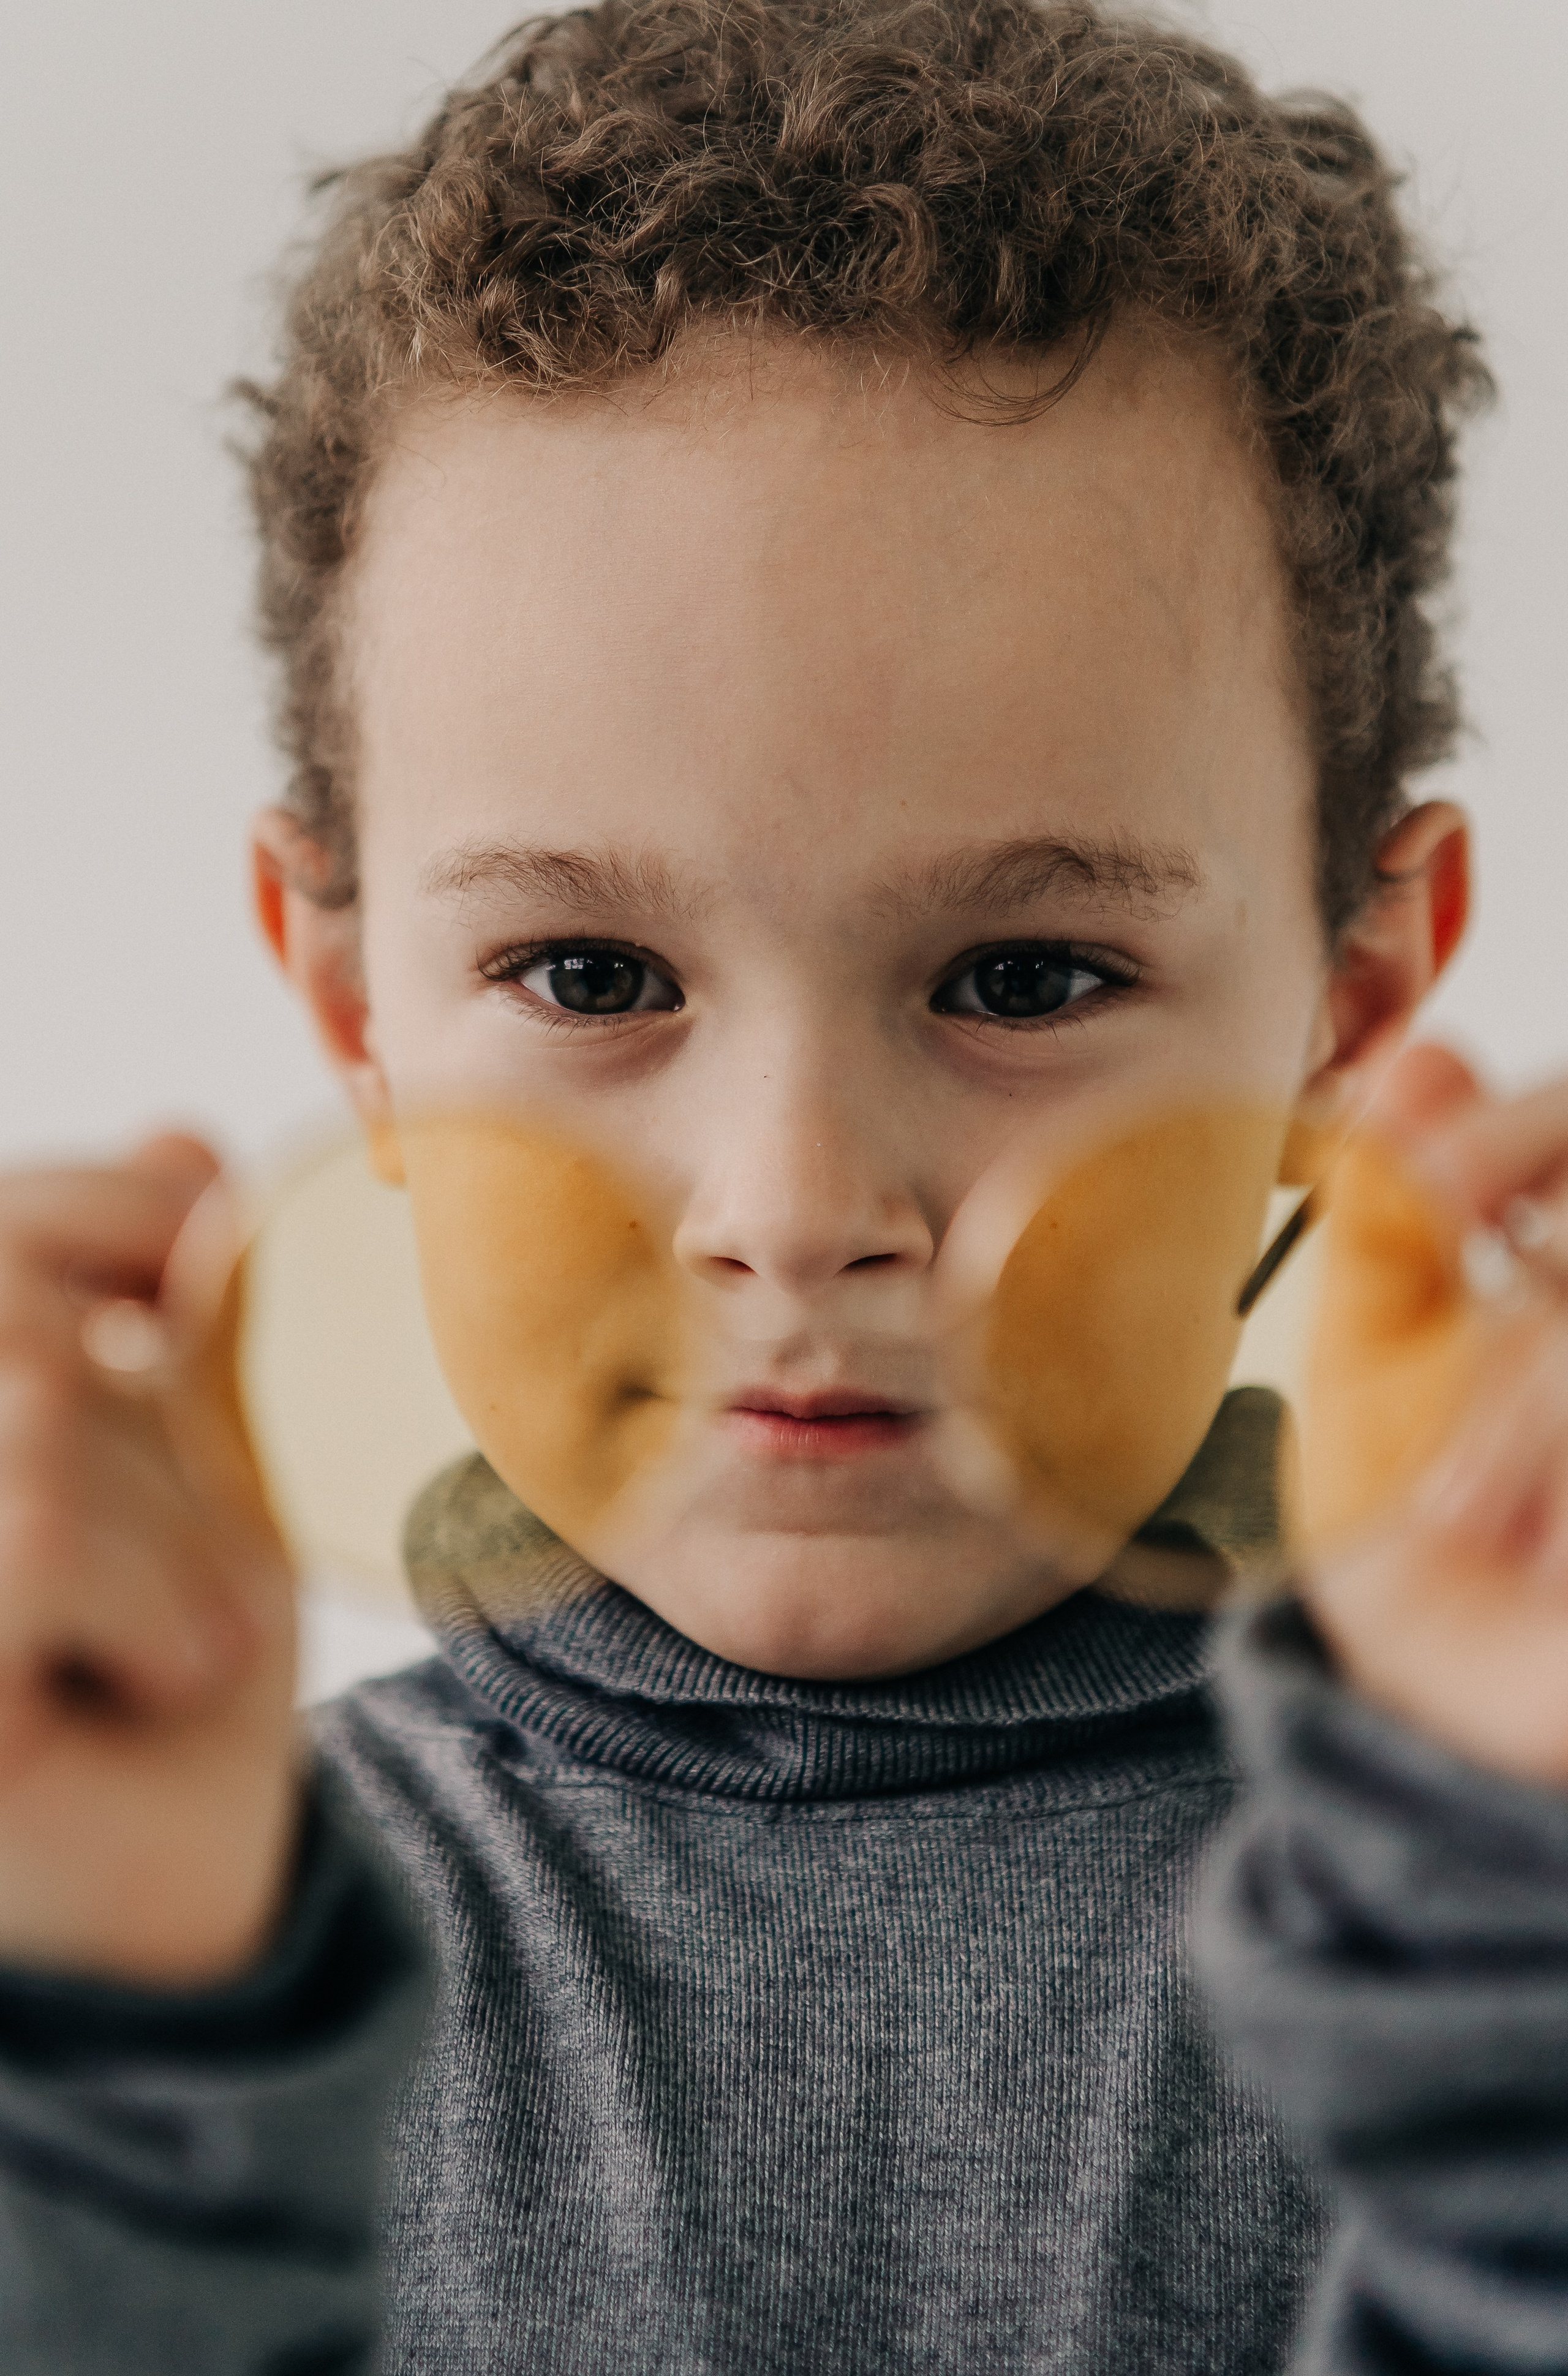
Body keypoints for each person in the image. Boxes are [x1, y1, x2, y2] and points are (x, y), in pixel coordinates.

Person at [1, 1, 1565, 2368]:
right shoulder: (146, 1989)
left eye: (1024, 975)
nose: (797, 1203)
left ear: (1352, 1009)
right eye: (590, 967)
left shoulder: (1497, 1950)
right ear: (352, 1012)